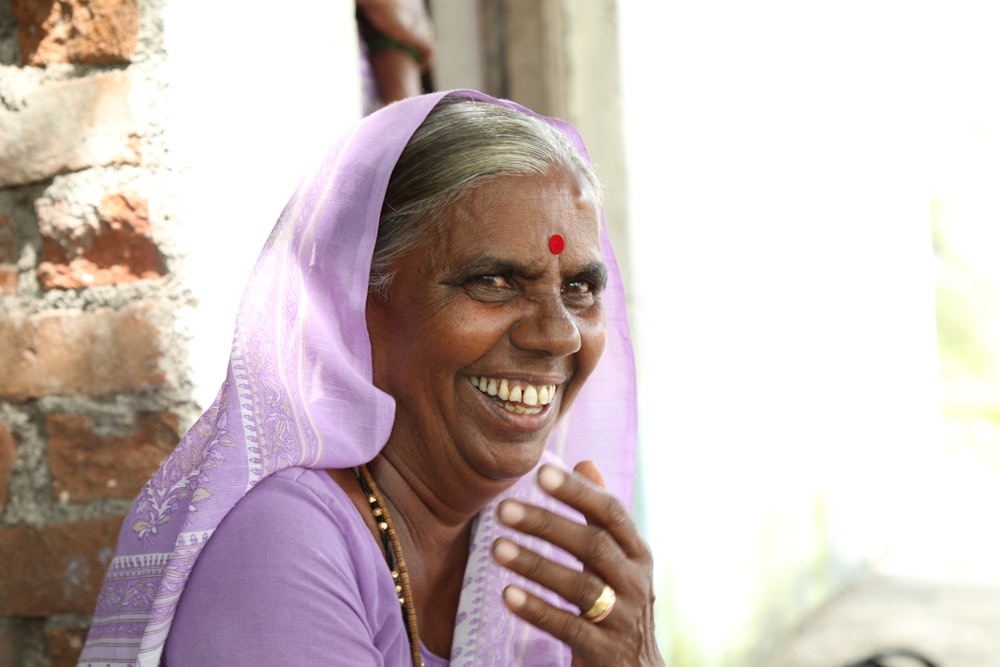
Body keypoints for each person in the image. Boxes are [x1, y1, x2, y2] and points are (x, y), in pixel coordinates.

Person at [77, 90, 661, 666]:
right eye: (494, 281)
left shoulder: (549, 558)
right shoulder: (280, 540)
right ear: (355, 303)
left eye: (579, 288)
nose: (559, 336)